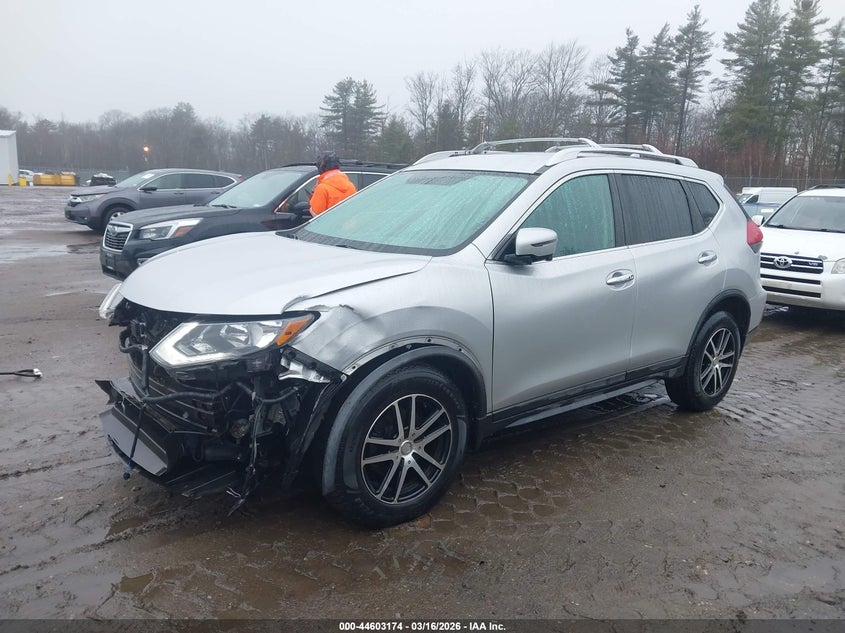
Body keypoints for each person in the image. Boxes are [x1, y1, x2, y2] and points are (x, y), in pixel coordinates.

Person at [309, 151, 357, 216]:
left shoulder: (322, 188)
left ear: (320, 167)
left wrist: (313, 198)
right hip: (347, 224)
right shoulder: (351, 186)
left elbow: (316, 215)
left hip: (330, 225)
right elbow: (354, 211)